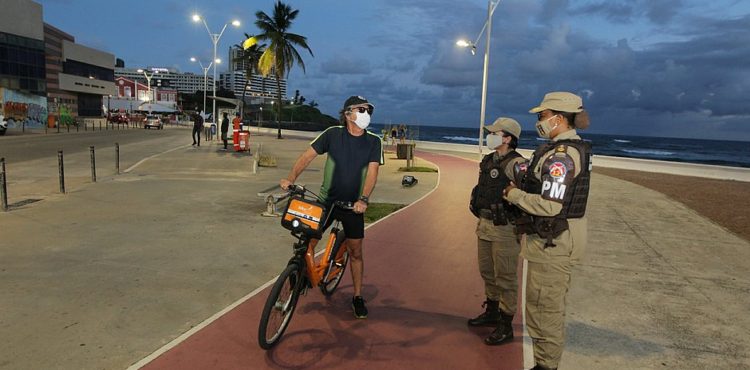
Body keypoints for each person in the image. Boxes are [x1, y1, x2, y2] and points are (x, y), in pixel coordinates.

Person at [503, 92, 591, 370]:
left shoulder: (562, 156)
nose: (539, 121)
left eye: (542, 116)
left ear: (559, 118)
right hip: (552, 241)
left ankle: (546, 366)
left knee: (545, 310)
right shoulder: (561, 150)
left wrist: (514, 195)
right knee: (542, 308)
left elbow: (551, 206)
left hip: (554, 245)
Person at [280, 95, 383, 319]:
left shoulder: (373, 141)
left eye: (368, 111)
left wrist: (363, 199)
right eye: (361, 109)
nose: (366, 114)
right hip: (327, 201)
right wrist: (290, 179)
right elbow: (307, 157)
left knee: (356, 252)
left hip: (353, 206)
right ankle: (303, 274)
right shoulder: (333, 134)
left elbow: (373, 172)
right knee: (309, 239)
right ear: (348, 114)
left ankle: (357, 297)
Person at [468, 117, 525, 346]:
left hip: (505, 228)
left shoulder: (518, 164)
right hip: (484, 224)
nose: (490, 136)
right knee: (487, 271)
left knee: (506, 277)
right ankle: (492, 311)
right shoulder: (488, 160)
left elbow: (526, 196)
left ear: (508, 138)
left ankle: (505, 324)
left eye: (495, 133)